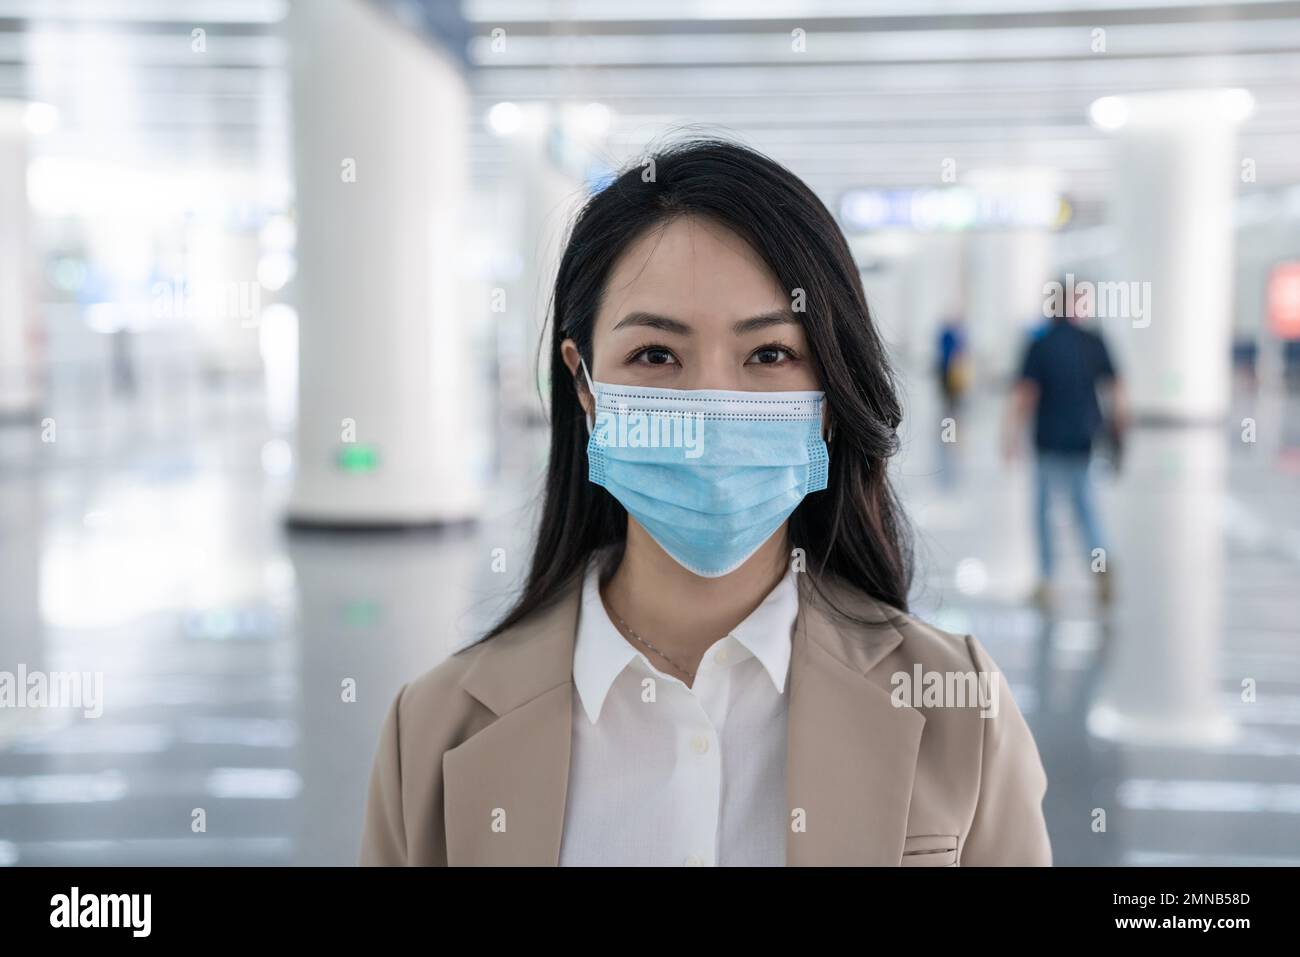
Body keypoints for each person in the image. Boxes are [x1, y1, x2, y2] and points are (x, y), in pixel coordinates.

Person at [360, 138, 1051, 866]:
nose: (711, 405)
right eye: (656, 355)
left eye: (770, 355)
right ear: (586, 386)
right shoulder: (435, 732)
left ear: (829, 394)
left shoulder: (956, 706)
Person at [1004, 279, 1128, 608]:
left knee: (1043, 510)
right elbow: (1116, 388)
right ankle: (1101, 564)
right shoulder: (1092, 341)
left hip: (1048, 439)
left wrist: (1010, 435)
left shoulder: (1039, 343)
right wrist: (1119, 430)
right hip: (1084, 439)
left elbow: (1026, 394)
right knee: (1085, 505)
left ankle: (1046, 581)